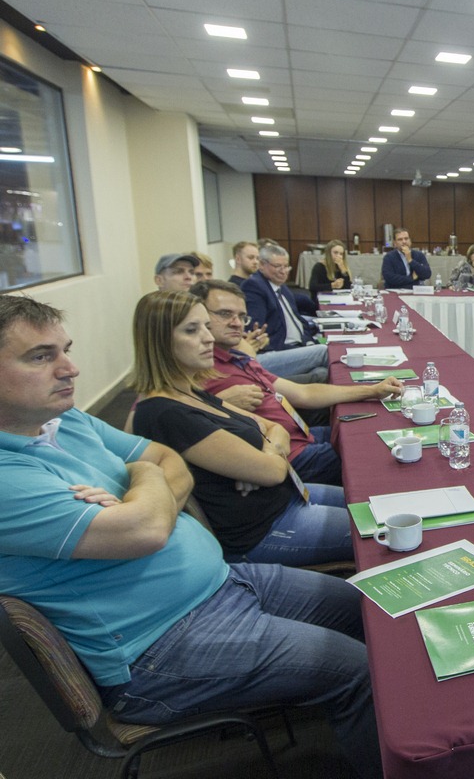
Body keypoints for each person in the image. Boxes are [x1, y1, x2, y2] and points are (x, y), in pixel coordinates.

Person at [0, 295, 381, 779]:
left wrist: (140, 483)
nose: (69, 369)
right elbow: (149, 528)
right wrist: (146, 484)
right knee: (358, 669)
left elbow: (166, 461)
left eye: (65, 351)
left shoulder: (64, 419)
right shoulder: (7, 477)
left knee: (367, 607)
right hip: (158, 648)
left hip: (221, 582)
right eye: (40, 357)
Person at [130, 290, 353, 566]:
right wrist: (264, 463)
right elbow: (273, 471)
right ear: (159, 341)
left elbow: (275, 429)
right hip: (263, 529)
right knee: (383, 526)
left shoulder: (190, 392)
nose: (208, 338)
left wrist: (262, 455)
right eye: (192, 330)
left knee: (369, 501)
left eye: (206, 327)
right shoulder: (165, 413)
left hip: (286, 496)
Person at [193, 280, 406, 484]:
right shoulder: (198, 371)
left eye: (241, 316)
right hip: (292, 457)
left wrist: (372, 391)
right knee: (380, 451)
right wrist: (218, 405)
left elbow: (304, 394)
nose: (237, 323)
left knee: (378, 426)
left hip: (301, 435)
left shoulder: (237, 357)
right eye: (225, 314)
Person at [242, 242, 329, 384]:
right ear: (262, 265)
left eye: (286, 266)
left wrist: (308, 342)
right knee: (324, 351)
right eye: (277, 266)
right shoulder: (254, 286)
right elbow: (256, 331)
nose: (283, 271)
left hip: (298, 344)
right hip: (275, 351)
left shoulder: (280, 285)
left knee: (323, 369)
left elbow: (297, 319)